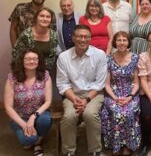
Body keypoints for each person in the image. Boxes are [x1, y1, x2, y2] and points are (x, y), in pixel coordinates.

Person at [56, 24, 107, 156]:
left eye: (86, 37)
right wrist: (75, 99)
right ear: (73, 38)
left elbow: (100, 83)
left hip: (93, 94)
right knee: (69, 116)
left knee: (90, 115)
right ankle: (68, 151)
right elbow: (62, 84)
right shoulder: (63, 57)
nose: (82, 40)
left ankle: (95, 150)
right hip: (72, 94)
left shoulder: (100, 55)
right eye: (79, 36)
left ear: (90, 39)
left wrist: (86, 99)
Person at [4, 48, 52, 156]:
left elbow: (48, 101)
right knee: (27, 141)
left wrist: (33, 117)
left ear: (39, 61)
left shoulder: (45, 75)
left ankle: (38, 143)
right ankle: (32, 138)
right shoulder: (12, 78)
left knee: (45, 121)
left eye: (35, 59)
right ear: (22, 60)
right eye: (28, 59)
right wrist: (25, 125)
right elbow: (8, 107)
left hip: (39, 113)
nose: (32, 61)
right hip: (19, 116)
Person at [101, 31, 141, 156]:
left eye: (124, 40)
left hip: (131, 93)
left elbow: (137, 83)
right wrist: (115, 98)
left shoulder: (135, 58)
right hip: (113, 93)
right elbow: (107, 84)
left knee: (128, 113)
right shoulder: (109, 59)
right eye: (119, 40)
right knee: (117, 113)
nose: (122, 42)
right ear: (115, 42)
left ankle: (129, 145)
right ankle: (116, 145)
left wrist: (130, 97)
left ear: (128, 42)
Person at [12, 7, 58, 71]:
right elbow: (16, 55)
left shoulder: (54, 35)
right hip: (26, 71)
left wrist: (42, 72)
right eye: (42, 16)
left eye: (48, 17)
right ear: (36, 18)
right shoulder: (26, 35)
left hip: (45, 72)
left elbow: (51, 57)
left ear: (51, 20)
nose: (45, 19)